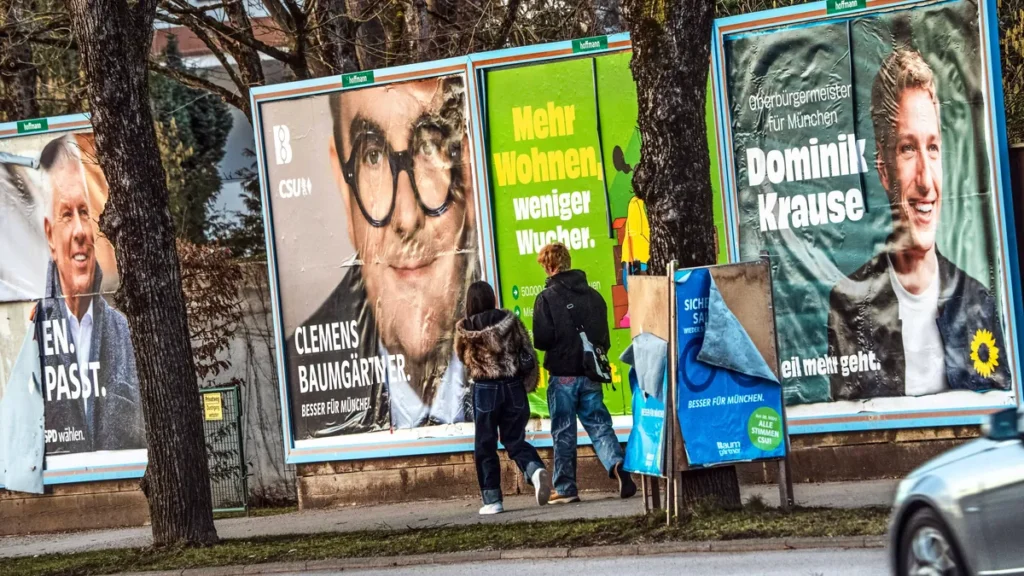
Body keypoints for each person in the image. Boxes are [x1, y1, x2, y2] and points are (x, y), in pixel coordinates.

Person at [285, 74, 478, 439]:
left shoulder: (509, 334)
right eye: (372, 155)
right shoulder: (300, 363)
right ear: (345, 189)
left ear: (467, 168)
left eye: (431, 148)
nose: (406, 216)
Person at [827, 49, 1011, 400]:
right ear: (883, 169)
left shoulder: (976, 301)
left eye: (933, 148)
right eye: (908, 149)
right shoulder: (849, 305)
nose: (926, 180)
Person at [36, 134, 145, 454]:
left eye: (85, 212)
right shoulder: (33, 335)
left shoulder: (124, 332)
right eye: (67, 215)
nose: (81, 231)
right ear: (50, 236)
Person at [532, 242, 636, 503]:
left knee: (564, 430)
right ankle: (617, 465)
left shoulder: (546, 298)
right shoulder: (594, 296)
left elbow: (542, 340)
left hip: (563, 374)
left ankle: (566, 488)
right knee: (599, 425)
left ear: (550, 266)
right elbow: (603, 338)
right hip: (590, 373)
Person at [455, 281, 552, 514]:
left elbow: (462, 358)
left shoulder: (466, 329)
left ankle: (492, 500)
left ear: (470, 302)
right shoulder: (510, 322)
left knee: (485, 444)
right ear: (492, 298)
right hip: (513, 387)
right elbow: (527, 352)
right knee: (514, 439)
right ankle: (534, 469)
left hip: (485, 389)